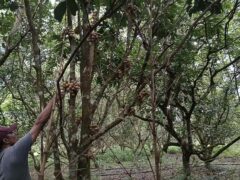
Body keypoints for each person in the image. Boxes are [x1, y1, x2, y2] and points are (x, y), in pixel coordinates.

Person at [0, 95, 60, 180]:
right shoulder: (16, 151)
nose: (15, 133)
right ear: (6, 140)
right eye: (11, 133)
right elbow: (39, 123)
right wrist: (56, 98)